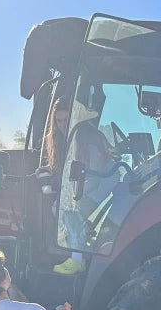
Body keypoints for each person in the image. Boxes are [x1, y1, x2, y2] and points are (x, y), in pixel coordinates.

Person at [41, 95, 112, 275]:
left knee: (66, 209)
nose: (62, 124)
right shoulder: (65, 140)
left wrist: (71, 198)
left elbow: (94, 175)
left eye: (66, 119)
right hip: (85, 185)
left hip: (100, 186)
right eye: (58, 120)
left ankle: (77, 258)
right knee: (60, 207)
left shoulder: (89, 139)